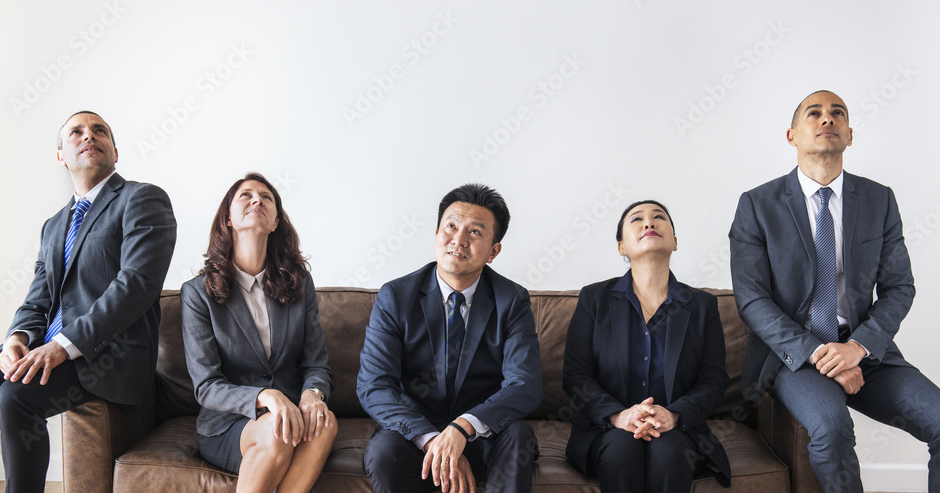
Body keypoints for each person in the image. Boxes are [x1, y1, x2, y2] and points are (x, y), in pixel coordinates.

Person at [729, 90, 940, 492]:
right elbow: (751, 299)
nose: (827, 119)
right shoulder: (757, 205)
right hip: (795, 358)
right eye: (814, 113)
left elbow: (899, 287)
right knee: (832, 430)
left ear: (849, 135)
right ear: (792, 135)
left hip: (864, 350)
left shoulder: (878, 200)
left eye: (837, 114)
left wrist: (858, 348)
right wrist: (819, 353)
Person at [0, 111, 177, 493]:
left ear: (115, 151)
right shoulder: (54, 224)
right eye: (75, 132)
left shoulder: (141, 199)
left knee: (15, 397)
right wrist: (16, 339)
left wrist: (63, 346)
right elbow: (37, 298)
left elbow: (136, 285)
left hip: (107, 355)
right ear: (61, 155)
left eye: (99, 131)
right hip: (43, 346)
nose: (88, 136)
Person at [357, 183, 542, 493]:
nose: (458, 240)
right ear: (436, 234)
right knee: (383, 451)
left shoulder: (512, 300)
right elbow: (374, 386)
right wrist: (435, 441)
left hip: (482, 435)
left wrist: (461, 428)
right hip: (416, 436)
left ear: (494, 251)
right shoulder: (396, 296)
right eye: (451, 226)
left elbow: (525, 385)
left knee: (519, 435)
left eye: (475, 232)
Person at [182, 173, 336, 493]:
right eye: (246, 196)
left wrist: (313, 395)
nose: (257, 200)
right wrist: (264, 396)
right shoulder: (197, 293)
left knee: (325, 424)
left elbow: (316, 363)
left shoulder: (299, 283)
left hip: (290, 417)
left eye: (266, 197)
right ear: (228, 218)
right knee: (275, 432)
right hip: (229, 424)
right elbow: (206, 386)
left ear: (276, 221)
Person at [563, 200, 731, 492]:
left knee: (671, 452)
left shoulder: (703, 306)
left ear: (675, 242)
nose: (649, 223)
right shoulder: (594, 299)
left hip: (679, 429)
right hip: (608, 430)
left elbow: (713, 380)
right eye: (637, 219)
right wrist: (618, 415)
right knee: (621, 449)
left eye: (659, 218)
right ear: (622, 247)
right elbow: (576, 376)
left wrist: (674, 415)